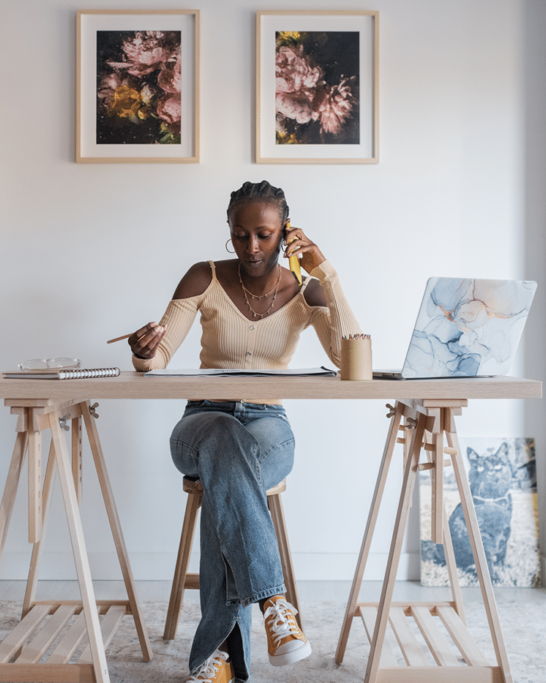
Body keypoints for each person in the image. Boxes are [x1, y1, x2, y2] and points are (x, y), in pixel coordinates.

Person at [129, 180, 362, 682]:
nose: (252, 247)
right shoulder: (203, 276)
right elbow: (160, 356)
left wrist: (327, 271)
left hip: (267, 426)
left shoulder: (307, 289)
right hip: (201, 421)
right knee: (221, 442)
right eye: (240, 235)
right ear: (229, 233)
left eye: (264, 234)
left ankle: (218, 661)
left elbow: (349, 359)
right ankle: (275, 603)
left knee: (225, 483)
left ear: (285, 234)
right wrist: (144, 352)